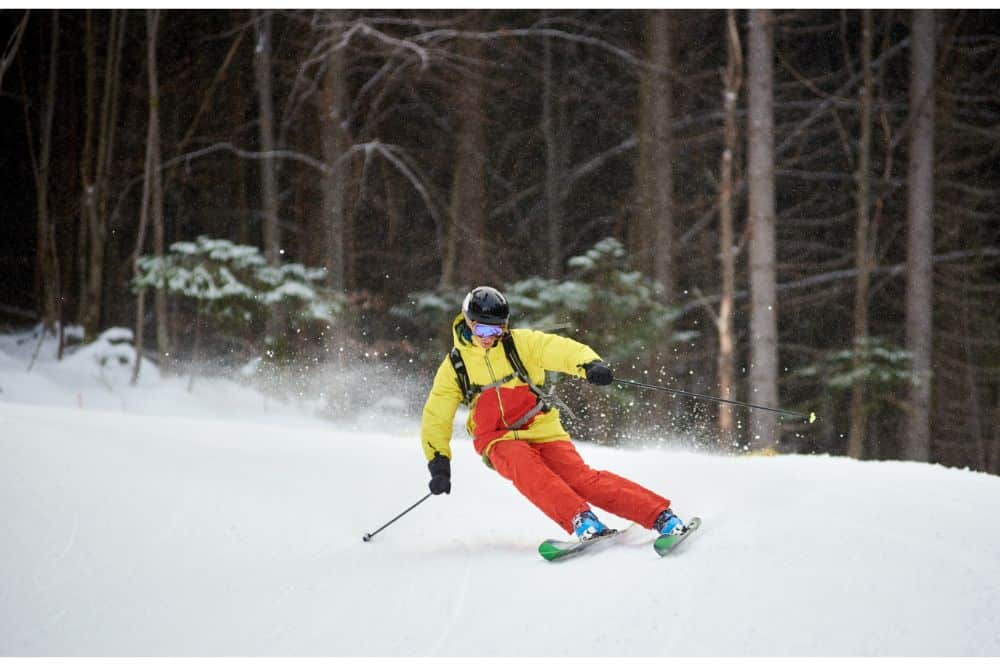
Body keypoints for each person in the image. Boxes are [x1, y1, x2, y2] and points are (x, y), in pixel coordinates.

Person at [420, 285, 685, 542]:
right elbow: (436, 415)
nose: (489, 336)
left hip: (539, 425)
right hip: (496, 438)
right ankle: (581, 520)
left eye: (496, 328)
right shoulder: (455, 366)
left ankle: (660, 516)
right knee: (524, 464)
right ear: (468, 322)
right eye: (481, 328)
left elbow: (559, 349)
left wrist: (590, 365)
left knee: (581, 479)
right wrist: (438, 463)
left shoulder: (519, 344)